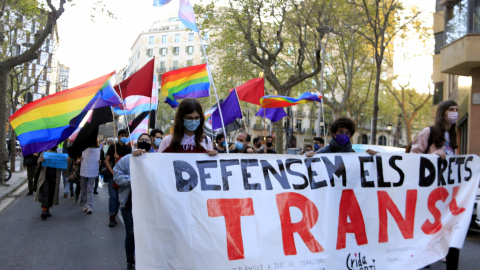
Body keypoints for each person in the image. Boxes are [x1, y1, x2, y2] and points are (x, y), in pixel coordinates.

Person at [410, 100, 459, 270]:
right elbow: (412, 155)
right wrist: (432, 157)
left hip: (448, 192)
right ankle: (425, 263)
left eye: (456, 110)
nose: (455, 112)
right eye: (451, 109)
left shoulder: (453, 135)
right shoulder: (429, 132)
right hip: (429, 192)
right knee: (428, 230)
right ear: (442, 112)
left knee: (453, 230)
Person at [114, 133, 152, 270]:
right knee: (131, 232)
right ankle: (130, 259)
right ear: (137, 142)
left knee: (148, 233)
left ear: (151, 143)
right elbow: (117, 176)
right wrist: (133, 179)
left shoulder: (157, 160)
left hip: (150, 205)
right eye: (142, 139)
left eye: (147, 140)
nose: (144, 141)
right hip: (129, 202)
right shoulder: (126, 160)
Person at [105, 129, 132, 227]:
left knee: (119, 198)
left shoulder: (129, 149)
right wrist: (112, 172)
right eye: (122, 135)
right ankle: (112, 216)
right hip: (112, 176)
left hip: (123, 178)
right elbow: (106, 161)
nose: (123, 137)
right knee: (113, 196)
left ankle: (116, 214)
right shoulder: (113, 147)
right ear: (118, 136)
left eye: (125, 135)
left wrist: (119, 157)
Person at [35, 146, 61, 220]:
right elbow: (38, 161)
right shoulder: (45, 152)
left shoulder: (58, 153)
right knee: (45, 192)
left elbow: (62, 163)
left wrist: (66, 160)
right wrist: (41, 160)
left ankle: (48, 208)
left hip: (54, 176)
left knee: (51, 192)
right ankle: (44, 210)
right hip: (45, 176)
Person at [79, 143, 101, 214]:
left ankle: (89, 206)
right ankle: (85, 204)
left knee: (89, 188)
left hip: (92, 172)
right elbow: (77, 160)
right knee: (84, 189)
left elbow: (101, 160)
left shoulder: (98, 151)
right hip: (84, 171)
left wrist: (99, 162)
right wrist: (79, 160)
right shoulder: (82, 150)